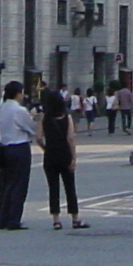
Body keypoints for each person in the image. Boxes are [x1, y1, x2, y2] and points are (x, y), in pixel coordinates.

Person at [34, 88, 84, 228]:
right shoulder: (66, 117)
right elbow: (71, 138)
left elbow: (38, 137)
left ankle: (56, 220)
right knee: (70, 187)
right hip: (65, 154)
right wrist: (73, 158)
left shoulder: (44, 117)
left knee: (53, 188)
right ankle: (75, 218)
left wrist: (46, 149)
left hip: (50, 155)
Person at [0, 80, 34, 230]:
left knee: (6, 185)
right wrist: (35, 117)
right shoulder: (19, 111)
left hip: (4, 148)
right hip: (19, 147)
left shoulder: (2, 108)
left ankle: (2, 218)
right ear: (18, 93)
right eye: (22, 92)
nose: (23, 95)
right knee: (19, 185)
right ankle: (14, 219)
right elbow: (31, 128)